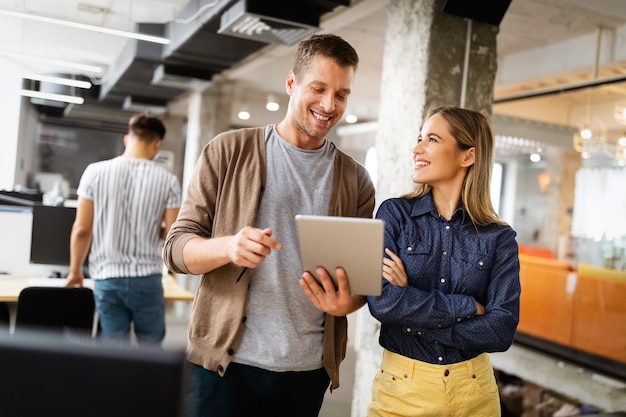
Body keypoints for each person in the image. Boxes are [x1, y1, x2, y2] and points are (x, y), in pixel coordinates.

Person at [163, 33, 375, 417]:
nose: (329, 105)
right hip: (223, 366)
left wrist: (348, 303)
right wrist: (227, 247)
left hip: (306, 371)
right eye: (319, 88)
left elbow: (358, 285)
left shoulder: (356, 179)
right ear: (292, 83)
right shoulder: (228, 151)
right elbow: (176, 250)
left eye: (341, 94)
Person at [366, 106, 521, 417]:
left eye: (432, 139)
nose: (417, 148)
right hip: (401, 390)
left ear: (468, 156)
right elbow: (382, 304)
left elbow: (501, 330)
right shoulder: (395, 215)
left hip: (475, 393)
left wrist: (411, 308)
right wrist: (467, 307)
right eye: (420, 138)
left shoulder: (499, 237)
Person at [65, 113, 182, 347]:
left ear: (127, 139)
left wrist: (75, 271)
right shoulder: (168, 180)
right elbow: (172, 235)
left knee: (114, 352)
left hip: (107, 278)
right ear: (157, 143)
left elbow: (81, 230)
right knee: (151, 351)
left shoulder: (94, 172)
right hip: (147, 279)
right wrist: (154, 229)